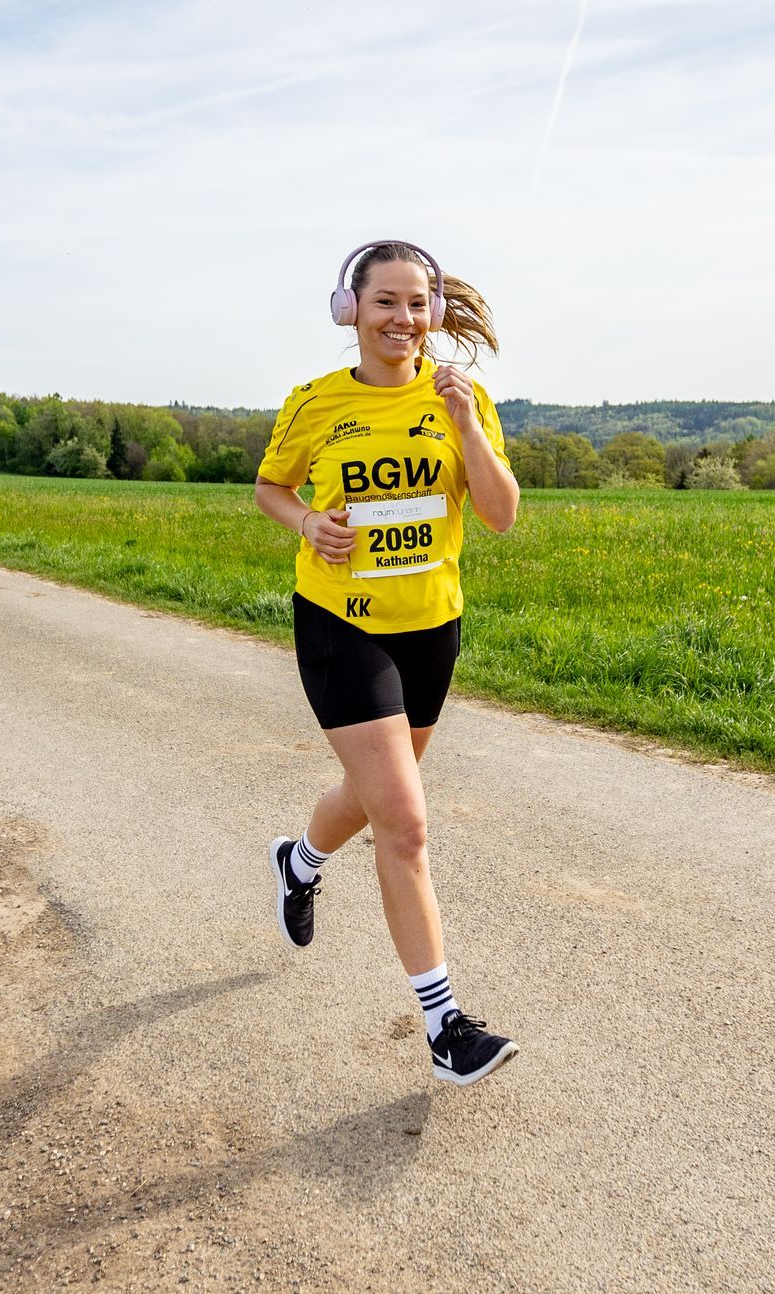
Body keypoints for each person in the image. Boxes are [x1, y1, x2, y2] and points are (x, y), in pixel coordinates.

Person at [254, 240, 521, 1088]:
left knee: (376, 801)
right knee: (405, 821)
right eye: (385, 303)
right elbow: (271, 486)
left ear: (434, 313)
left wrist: (469, 427)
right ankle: (446, 1030)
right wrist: (306, 525)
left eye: (417, 304)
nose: (402, 320)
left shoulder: (463, 399)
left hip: (429, 629)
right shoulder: (316, 403)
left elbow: (500, 514)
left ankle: (298, 861)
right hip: (339, 622)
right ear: (351, 310)